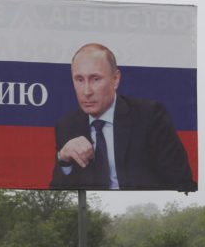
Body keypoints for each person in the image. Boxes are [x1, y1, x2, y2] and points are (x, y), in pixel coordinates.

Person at [49, 43, 196, 191]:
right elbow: (57, 194)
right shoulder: (66, 126)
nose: (86, 91)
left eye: (95, 79)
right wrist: (63, 159)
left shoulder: (150, 116)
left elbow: (182, 183)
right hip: (93, 210)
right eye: (79, 80)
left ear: (115, 79)